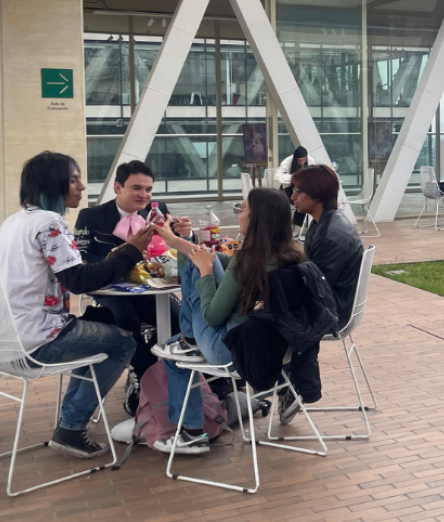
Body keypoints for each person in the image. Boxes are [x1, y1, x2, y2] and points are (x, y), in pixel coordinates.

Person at [0, 151, 149, 459]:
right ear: (53, 184)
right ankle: (72, 425)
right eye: (74, 179)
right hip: (39, 338)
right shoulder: (50, 222)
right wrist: (130, 251)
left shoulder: (14, 222)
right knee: (123, 343)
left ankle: (70, 422)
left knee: (97, 334)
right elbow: (78, 280)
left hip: (5, 337)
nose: (81, 187)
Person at [149, 188, 305, 454]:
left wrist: (206, 272)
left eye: (242, 209)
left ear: (256, 219)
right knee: (198, 260)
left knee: (173, 358)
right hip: (275, 347)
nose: (238, 214)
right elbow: (229, 263)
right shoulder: (292, 256)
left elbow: (212, 315)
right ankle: (187, 340)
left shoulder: (247, 262)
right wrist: (182, 241)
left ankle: (191, 433)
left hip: (229, 350)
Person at [74, 160, 192, 415]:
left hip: (149, 287)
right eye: (137, 188)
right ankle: (145, 380)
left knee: (179, 320)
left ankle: (175, 377)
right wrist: (122, 258)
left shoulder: (157, 212)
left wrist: (184, 236)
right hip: (109, 288)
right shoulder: (91, 217)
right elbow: (82, 261)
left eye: (149, 189)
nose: (144, 195)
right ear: (118, 187)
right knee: (126, 318)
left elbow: (171, 255)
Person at [288, 165, 363, 422]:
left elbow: (315, 290)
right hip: (332, 300)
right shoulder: (325, 222)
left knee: (266, 318)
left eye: (298, 191)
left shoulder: (331, 235)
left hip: (333, 310)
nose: (293, 197)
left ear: (316, 195)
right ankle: (286, 382)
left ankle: (296, 387)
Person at [275, 146, 311, 233]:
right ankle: (289, 226)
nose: (302, 162)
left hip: (301, 191)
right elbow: (276, 176)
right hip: (288, 190)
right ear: (295, 159)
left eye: (304, 160)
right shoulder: (288, 161)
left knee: (306, 202)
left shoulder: (310, 161)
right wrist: (294, 177)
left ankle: (297, 224)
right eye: (299, 160)